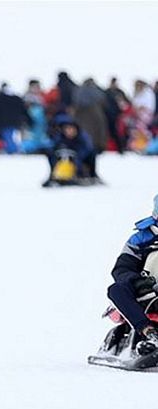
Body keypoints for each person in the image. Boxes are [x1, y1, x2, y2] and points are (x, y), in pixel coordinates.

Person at [104, 195, 158, 356]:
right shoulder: (140, 239)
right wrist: (138, 282)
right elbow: (122, 268)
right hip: (146, 290)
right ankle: (149, 332)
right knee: (117, 289)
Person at [41, 115, 101, 187]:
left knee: (91, 154)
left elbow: (86, 150)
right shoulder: (60, 139)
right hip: (63, 164)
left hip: (79, 163)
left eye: (71, 129)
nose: (69, 131)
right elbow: (53, 150)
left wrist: (75, 159)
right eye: (67, 129)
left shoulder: (82, 139)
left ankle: (91, 176)